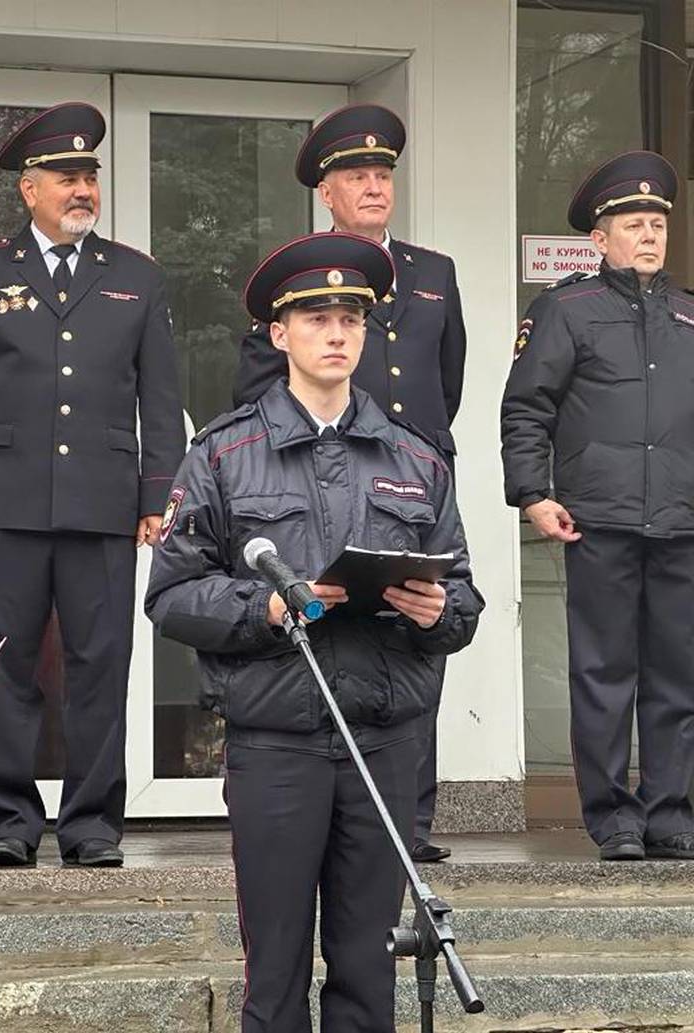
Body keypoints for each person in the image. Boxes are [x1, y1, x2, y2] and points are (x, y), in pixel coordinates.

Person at [146, 233, 482, 1032]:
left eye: (352, 320)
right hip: (278, 741)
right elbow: (171, 596)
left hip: (385, 740)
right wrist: (266, 609)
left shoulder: (416, 458)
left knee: (370, 967)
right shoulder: (223, 453)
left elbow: (463, 594)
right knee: (276, 967)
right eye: (317, 317)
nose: (337, 333)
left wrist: (441, 613)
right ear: (278, 332)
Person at [0, 102, 185, 868]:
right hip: (3, 504)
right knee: (4, 663)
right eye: (66, 177)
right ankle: (7, 819)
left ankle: (91, 824)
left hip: (104, 503)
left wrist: (157, 493)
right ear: (29, 188)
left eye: (90, 178)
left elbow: (161, 396)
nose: (83, 190)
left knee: (99, 664)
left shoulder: (135, 276)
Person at [232, 103, 468, 863]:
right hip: (316, 479)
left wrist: (408, 458)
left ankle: (413, 819)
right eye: (356, 175)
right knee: (336, 643)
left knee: (417, 633)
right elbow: (256, 388)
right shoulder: (293, 281)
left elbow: (448, 380)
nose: (373, 186)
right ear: (325, 192)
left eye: (382, 174)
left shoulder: (434, 272)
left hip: (408, 488)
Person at [501, 150, 694, 862]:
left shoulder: (687, 316)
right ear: (599, 239)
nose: (648, 235)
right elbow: (526, 409)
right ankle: (613, 815)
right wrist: (533, 492)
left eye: (656, 224)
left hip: (681, 522)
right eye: (632, 224)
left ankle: (671, 812)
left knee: (678, 674)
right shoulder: (565, 309)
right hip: (598, 518)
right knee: (605, 671)